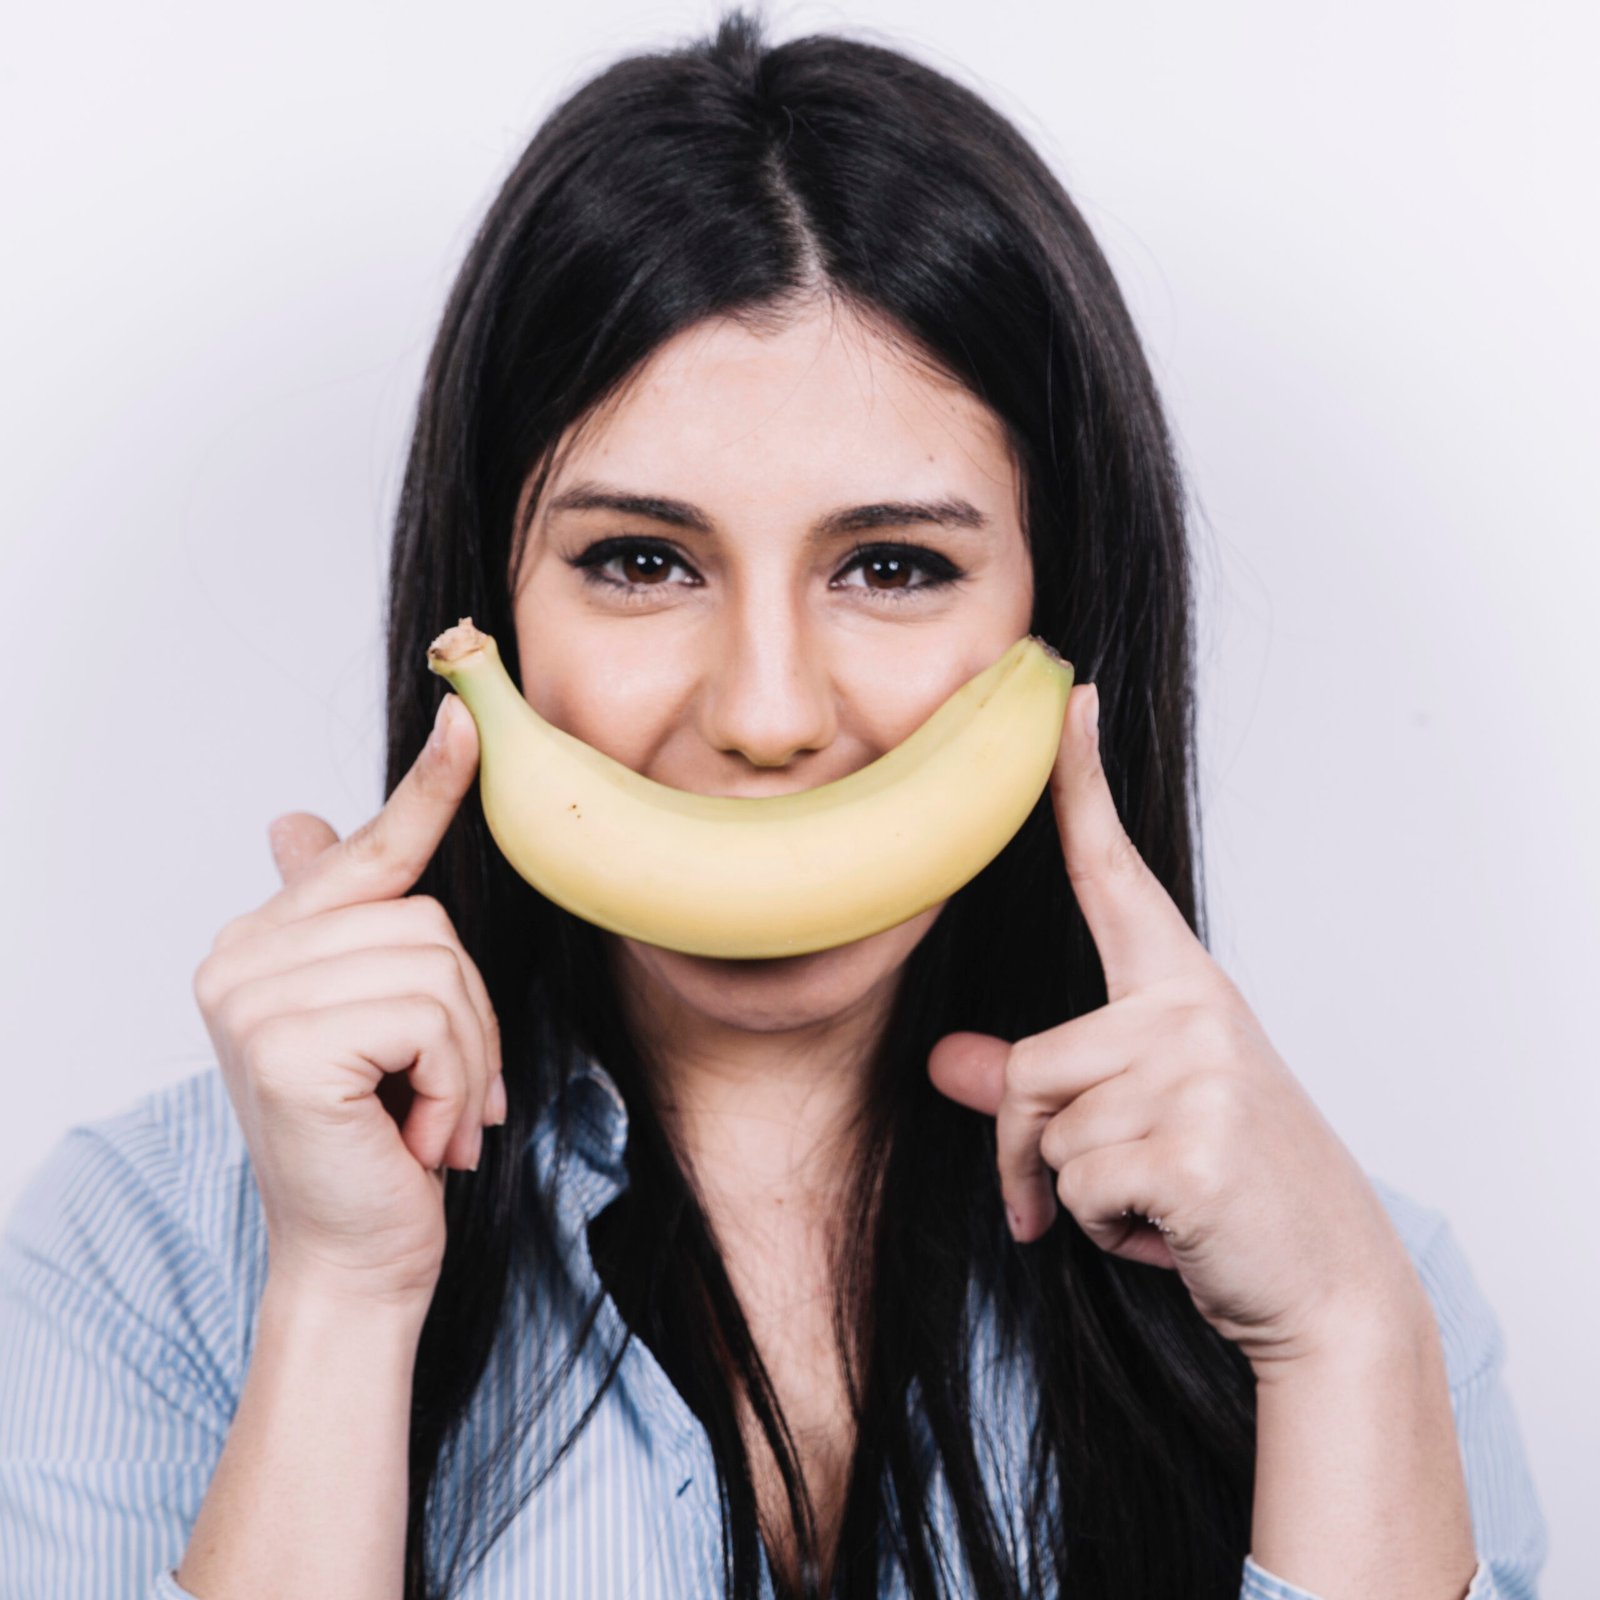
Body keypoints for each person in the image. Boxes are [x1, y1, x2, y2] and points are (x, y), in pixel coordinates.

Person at [0, 10, 1546, 1600]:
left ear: (1060, 624)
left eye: (893, 568)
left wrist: (1347, 1344)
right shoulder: (157, 1258)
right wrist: (340, 1297)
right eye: (641, 561)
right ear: (493, 616)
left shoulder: (1347, 1288)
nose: (765, 717)